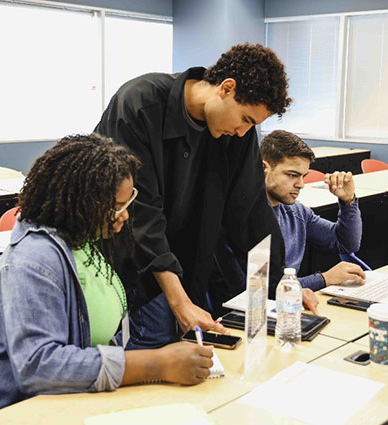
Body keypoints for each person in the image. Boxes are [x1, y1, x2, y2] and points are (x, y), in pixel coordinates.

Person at [0, 134, 214, 415]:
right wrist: (156, 363)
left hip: (80, 398)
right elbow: (38, 367)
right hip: (27, 411)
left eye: (128, 202)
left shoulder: (82, 239)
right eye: (117, 206)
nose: (125, 215)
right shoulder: (31, 262)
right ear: (81, 202)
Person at [95, 43, 292, 349]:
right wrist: (178, 301)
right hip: (135, 262)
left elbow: (250, 211)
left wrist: (282, 284)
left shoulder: (236, 133)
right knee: (154, 362)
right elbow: (140, 213)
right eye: (246, 119)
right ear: (226, 89)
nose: (243, 132)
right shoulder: (139, 104)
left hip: (188, 261)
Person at [261, 130, 366, 290]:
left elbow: (346, 244)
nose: (301, 184)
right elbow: (260, 289)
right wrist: (324, 279)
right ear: (264, 168)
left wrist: (348, 201)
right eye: (292, 175)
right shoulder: (246, 218)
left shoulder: (297, 213)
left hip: (289, 304)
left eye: (303, 176)